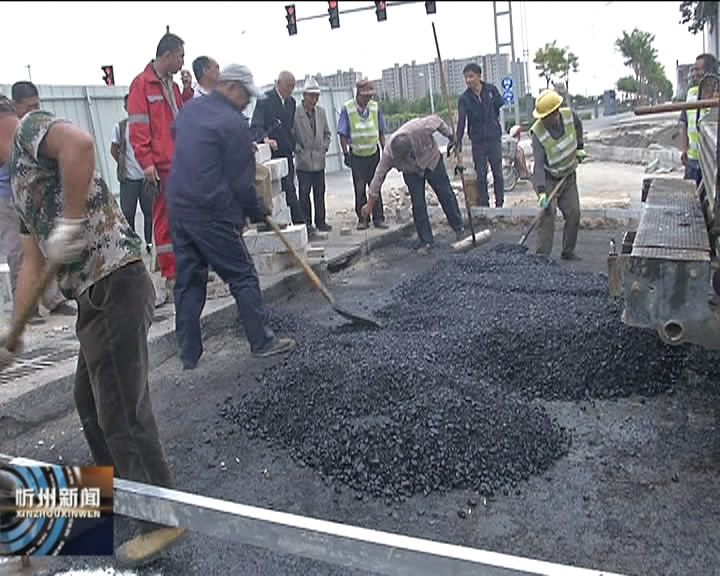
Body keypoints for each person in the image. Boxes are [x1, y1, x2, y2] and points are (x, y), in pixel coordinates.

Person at [0, 96, 185, 567]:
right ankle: (126, 493)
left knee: (122, 411)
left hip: (116, 279)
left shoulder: (28, 131)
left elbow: (80, 146)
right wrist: (13, 332)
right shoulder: (20, 186)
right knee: (90, 401)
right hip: (91, 296)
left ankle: (161, 517)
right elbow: (30, 265)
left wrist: (71, 222)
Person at [167, 64, 296, 370]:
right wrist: (259, 211)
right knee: (242, 275)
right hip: (210, 211)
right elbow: (242, 181)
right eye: (245, 96)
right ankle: (262, 341)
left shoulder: (190, 111)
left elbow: (182, 139)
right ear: (231, 88)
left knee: (188, 281)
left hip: (179, 207)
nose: (247, 103)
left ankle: (189, 354)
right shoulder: (232, 124)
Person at [0, 82, 75, 322]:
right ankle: (26, 308)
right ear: (16, 105)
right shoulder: (9, 125)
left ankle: (53, 300)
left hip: (32, 196)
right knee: (17, 253)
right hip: (6, 198)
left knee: (44, 247)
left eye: (37, 105)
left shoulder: (31, 128)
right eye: (29, 106)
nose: (33, 110)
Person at [128, 32, 186, 303]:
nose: (182, 62)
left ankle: (185, 266)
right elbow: (138, 129)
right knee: (164, 221)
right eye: (180, 56)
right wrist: (147, 164)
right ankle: (171, 274)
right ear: (167, 55)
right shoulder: (142, 86)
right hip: (161, 166)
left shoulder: (172, 87)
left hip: (179, 163)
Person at [361, 115, 464, 255]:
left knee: (446, 194)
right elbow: (378, 178)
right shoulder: (389, 155)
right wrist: (369, 205)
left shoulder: (420, 128)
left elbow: (438, 121)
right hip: (411, 173)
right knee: (418, 204)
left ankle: (459, 228)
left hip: (431, 160)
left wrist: (451, 136)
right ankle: (426, 241)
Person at [529, 89, 586, 260]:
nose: (543, 120)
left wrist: (580, 148)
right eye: (542, 117)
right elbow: (538, 165)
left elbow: (578, 127)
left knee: (574, 212)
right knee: (548, 213)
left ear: (555, 113)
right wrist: (541, 192)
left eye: (546, 117)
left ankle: (568, 251)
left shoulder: (569, 116)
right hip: (548, 178)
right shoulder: (538, 132)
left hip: (568, 175)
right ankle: (542, 257)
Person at [251, 71, 304, 225]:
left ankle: (299, 223)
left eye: (293, 86)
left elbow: (289, 128)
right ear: (279, 83)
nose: (291, 90)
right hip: (272, 152)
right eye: (288, 86)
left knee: (290, 189)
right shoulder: (265, 100)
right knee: (280, 190)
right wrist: (265, 139)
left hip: (286, 150)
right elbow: (256, 124)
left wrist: (294, 144)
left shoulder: (291, 103)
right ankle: (298, 222)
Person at [338, 79, 389, 230]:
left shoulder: (374, 108)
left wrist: (385, 149)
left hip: (373, 154)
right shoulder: (348, 109)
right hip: (357, 155)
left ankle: (378, 217)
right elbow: (342, 133)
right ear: (359, 94)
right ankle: (363, 219)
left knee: (376, 186)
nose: (369, 99)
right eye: (366, 95)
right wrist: (345, 153)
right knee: (359, 188)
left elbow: (381, 131)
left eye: (370, 95)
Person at [456, 63, 504, 207]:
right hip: (478, 141)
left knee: (498, 173)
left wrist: (492, 123)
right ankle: (484, 204)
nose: (468, 80)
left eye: (471, 76)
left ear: (479, 76)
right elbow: (462, 121)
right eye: (466, 77)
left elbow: (498, 105)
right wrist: (457, 140)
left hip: (494, 138)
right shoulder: (464, 99)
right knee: (481, 175)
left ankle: (499, 204)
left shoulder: (491, 90)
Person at [111, 94, 153, 254]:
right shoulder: (120, 127)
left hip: (146, 178)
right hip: (128, 179)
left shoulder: (146, 126)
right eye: (129, 105)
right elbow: (114, 149)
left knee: (149, 211)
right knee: (128, 212)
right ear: (126, 108)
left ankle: (149, 243)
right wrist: (123, 164)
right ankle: (133, 244)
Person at [294, 77, 332, 236]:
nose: (314, 99)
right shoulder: (296, 113)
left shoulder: (321, 112)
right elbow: (291, 134)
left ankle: (321, 221)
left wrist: (324, 147)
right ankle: (307, 223)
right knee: (304, 193)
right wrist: (298, 149)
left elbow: (327, 134)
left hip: (318, 159)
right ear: (304, 95)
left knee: (320, 191)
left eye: (316, 96)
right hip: (303, 161)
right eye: (311, 96)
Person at [680, 53, 718, 187]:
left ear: (709, 71)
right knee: (690, 196)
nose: (694, 73)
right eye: (693, 69)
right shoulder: (690, 93)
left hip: (711, 163)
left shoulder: (716, 95)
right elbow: (684, 123)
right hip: (692, 159)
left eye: (698, 69)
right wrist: (684, 148)